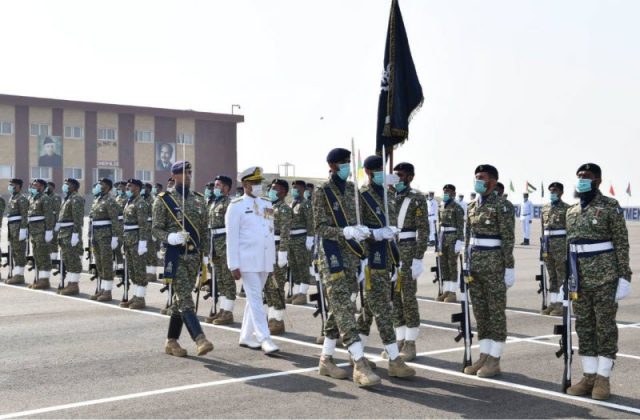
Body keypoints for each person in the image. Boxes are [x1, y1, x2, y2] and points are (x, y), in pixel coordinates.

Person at [565, 163, 631, 400]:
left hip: (605, 277)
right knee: (584, 326)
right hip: (579, 279)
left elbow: (621, 243)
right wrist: (567, 277)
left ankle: (603, 379)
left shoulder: (610, 206)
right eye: (580, 176)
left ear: (598, 181)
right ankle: (589, 376)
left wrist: (624, 276)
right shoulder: (571, 211)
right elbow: (569, 247)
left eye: (587, 177)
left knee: (604, 327)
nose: (582, 180)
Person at [153, 161, 214, 357]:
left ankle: (171, 341)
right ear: (175, 175)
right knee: (186, 299)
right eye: (184, 173)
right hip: (175, 255)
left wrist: (205, 256)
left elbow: (204, 229)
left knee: (181, 300)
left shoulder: (199, 199)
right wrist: (169, 238)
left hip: (194, 256)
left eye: (190, 172)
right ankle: (200, 339)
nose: (188, 176)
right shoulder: (164, 200)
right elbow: (156, 228)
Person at [463, 165, 515, 378]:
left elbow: (508, 238)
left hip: (494, 266)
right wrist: (466, 263)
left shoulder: (502, 205)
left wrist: (509, 266)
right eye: (476, 177)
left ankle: (495, 359)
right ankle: (484, 354)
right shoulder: (472, 205)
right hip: (475, 266)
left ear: (493, 182)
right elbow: (468, 237)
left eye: (482, 178)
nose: (478, 181)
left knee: (495, 313)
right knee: (481, 313)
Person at [226, 166, 279, 354]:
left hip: (264, 259)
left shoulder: (267, 203)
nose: (258, 186)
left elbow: (269, 232)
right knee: (256, 298)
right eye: (254, 183)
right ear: (245, 184)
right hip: (247, 260)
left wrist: (272, 259)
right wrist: (233, 264)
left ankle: (246, 336)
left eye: (259, 182)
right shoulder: (236, 206)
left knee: (253, 298)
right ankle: (264, 338)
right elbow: (231, 238)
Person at [388, 162, 429, 361]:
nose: (397, 179)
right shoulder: (389, 196)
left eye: (401, 175)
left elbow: (423, 229)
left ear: (410, 177)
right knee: (395, 297)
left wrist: (418, 257)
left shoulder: (417, 198)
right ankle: (399, 339)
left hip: (408, 249)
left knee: (408, 297)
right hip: (392, 250)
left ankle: (411, 343)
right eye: (395, 175)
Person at [204, 175, 236, 325]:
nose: (215, 187)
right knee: (219, 278)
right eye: (215, 185)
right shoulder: (213, 203)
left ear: (226, 188)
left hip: (225, 243)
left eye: (218, 185)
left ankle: (228, 312)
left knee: (227, 277)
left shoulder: (229, 203)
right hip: (214, 243)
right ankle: (222, 309)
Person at [264, 178, 292, 335]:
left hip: (277, 248)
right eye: (272, 188)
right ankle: (271, 317)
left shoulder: (285, 209)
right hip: (267, 248)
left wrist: (283, 252)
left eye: (277, 189)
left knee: (277, 285)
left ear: (284, 193)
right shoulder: (269, 208)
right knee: (268, 285)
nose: (273, 191)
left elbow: (285, 232)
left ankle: (279, 320)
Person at [120, 179, 151, 309]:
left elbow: (143, 225)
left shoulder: (141, 203)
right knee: (132, 269)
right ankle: (136, 295)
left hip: (137, 240)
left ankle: (141, 298)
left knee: (139, 269)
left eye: (130, 186)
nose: (127, 188)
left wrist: (143, 242)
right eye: (127, 186)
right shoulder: (129, 202)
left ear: (137, 188)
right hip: (128, 239)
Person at [540, 182, 570, 316]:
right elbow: (543, 228)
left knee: (561, 275)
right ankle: (553, 303)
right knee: (551, 275)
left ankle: (561, 305)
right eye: (550, 190)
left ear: (561, 192)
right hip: (547, 245)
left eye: (555, 190)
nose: (552, 193)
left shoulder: (567, 209)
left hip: (560, 245)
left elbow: (570, 230)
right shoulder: (545, 208)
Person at [89, 178, 121, 301]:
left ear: (107, 186)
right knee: (99, 262)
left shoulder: (110, 201)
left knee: (106, 262)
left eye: (101, 184)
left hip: (106, 236)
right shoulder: (97, 200)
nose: (98, 185)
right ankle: (102, 289)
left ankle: (108, 291)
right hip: (96, 236)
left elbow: (115, 220)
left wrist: (114, 237)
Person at [286, 180, 315, 305]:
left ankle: (303, 293)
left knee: (302, 266)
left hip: (302, 238)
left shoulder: (306, 204)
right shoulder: (292, 203)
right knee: (294, 266)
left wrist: (310, 238)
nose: (294, 190)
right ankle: (296, 292)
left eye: (296, 188)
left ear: (303, 190)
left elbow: (310, 222)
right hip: (291, 239)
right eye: (293, 188)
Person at [56, 178, 85, 295]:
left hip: (70, 232)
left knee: (73, 258)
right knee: (67, 258)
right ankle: (70, 283)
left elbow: (77, 219)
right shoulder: (67, 198)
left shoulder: (76, 198)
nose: (64, 186)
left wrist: (75, 234)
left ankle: (74, 285)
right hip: (64, 232)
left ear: (73, 186)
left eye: (67, 184)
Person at [437, 184, 465, 303]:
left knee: (452, 266)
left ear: (454, 193)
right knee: (444, 266)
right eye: (444, 191)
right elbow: (439, 225)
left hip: (453, 238)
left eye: (448, 192)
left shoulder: (457, 208)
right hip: (443, 238)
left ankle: (453, 293)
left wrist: (460, 241)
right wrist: (438, 240)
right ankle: (446, 291)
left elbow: (460, 226)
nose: (445, 194)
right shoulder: (442, 207)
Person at [26, 179, 55, 289]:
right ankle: (39, 279)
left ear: (42, 187)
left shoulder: (45, 199)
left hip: (42, 231)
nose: (33, 187)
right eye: (32, 185)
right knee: (37, 255)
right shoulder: (32, 198)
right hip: (34, 231)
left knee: (43, 255)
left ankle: (45, 280)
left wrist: (48, 231)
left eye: (36, 185)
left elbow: (49, 216)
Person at [4, 179, 29, 285]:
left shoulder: (21, 198)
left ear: (18, 186)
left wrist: (23, 229)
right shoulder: (12, 197)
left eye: (12, 185)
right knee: (15, 251)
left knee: (19, 251)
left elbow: (24, 215)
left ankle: (19, 275)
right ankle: (16, 274)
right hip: (12, 228)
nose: (10, 186)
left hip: (19, 228)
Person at [143, 182, 157, 283]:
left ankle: (152, 273)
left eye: (145, 188)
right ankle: (147, 272)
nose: (144, 190)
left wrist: (154, 231)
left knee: (151, 252)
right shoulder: (142, 199)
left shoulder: (152, 200)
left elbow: (155, 217)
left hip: (150, 228)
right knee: (146, 252)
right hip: (144, 229)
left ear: (149, 189)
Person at [46, 182, 62, 266]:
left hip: (53, 222)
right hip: (46, 223)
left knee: (53, 241)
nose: (47, 188)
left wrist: (58, 223)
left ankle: (54, 260)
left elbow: (58, 211)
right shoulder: (44, 196)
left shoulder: (56, 197)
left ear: (52, 187)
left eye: (48, 187)